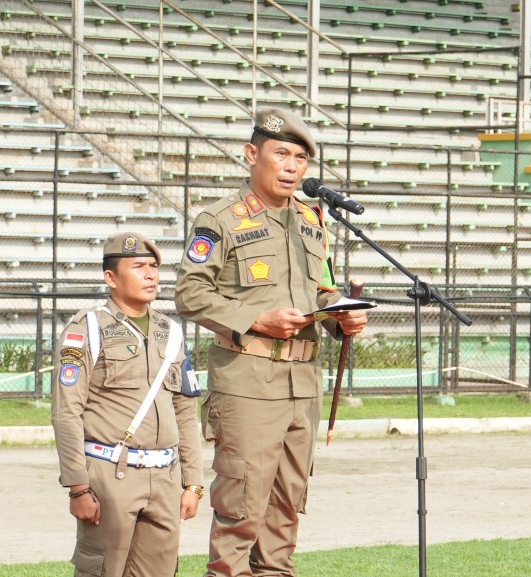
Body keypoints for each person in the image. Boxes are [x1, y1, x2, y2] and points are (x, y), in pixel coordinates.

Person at [175, 107, 368, 577]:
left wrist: (339, 315)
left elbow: (318, 289)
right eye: (281, 153)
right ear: (251, 155)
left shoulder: (311, 219)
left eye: (301, 158)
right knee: (240, 515)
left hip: (302, 384)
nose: (291, 166)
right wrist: (256, 319)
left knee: (284, 518)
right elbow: (189, 292)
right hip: (247, 382)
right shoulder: (219, 219)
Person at [52, 231, 204, 577]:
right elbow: (67, 412)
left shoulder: (171, 331)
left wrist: (193, 482)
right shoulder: (87, 328)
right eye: (138, 267)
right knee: (103, 570)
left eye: (153, 267)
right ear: (111, 278)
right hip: (110, 475)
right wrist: (78, 487)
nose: (150, 275)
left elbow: (185, 410)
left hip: (165, 477)